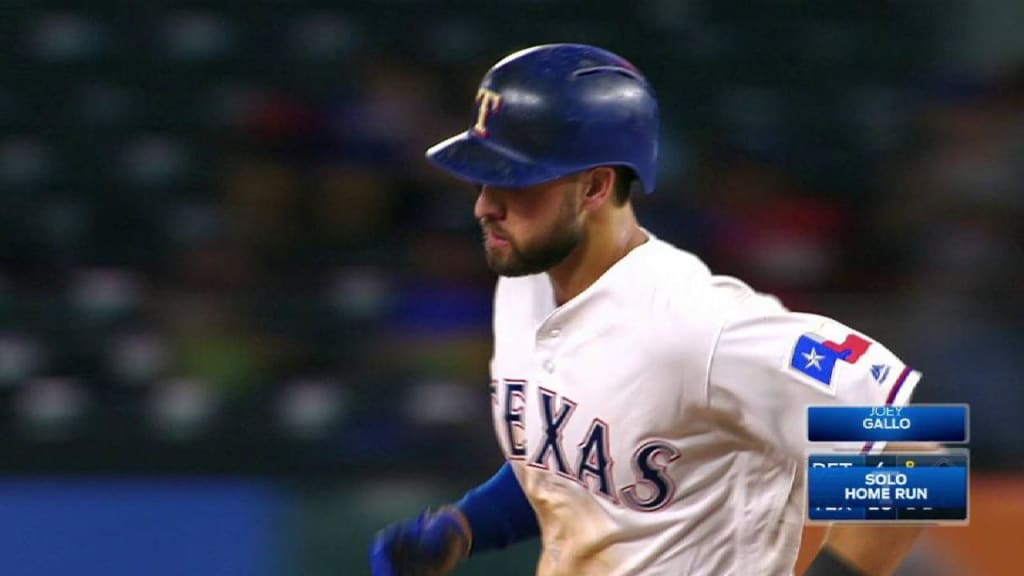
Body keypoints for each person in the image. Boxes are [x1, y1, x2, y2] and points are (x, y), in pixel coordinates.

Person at [370, 43, 925, 576]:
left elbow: (915, 449)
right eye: (483, 179)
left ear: (594, 187)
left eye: (515, 183)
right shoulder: (525, 283)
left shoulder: (697, 328)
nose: (485, 206)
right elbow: (577, 455)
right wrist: (468, 526)